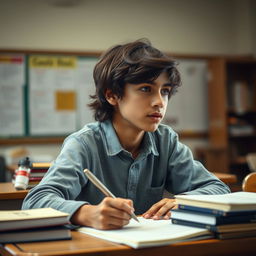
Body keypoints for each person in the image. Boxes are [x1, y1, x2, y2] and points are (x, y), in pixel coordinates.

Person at [22, 39, 230, 230]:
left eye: (165, 90)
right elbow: (35, 201)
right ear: (112, 95)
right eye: (146, 89)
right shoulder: (84, 144)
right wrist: (87, 214)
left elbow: (217, 188)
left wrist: (185, 202)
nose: (160, 102)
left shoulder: (166, 141)